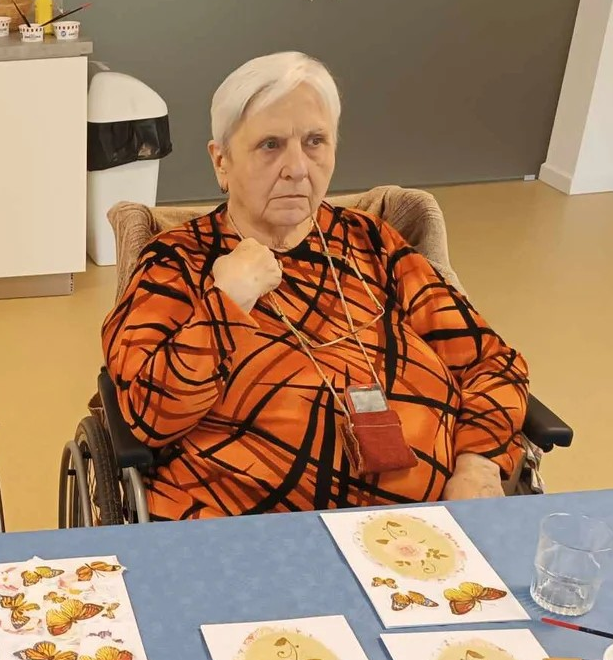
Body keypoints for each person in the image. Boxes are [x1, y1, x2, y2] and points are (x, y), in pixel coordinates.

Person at [103, 52, 529, 519]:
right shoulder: (177, 261)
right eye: (270, 145)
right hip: (251, 534)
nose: (297, 167)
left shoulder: (372, 242)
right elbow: (149, 415)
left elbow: (490, 360)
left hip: (424, 534)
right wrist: (226, 302)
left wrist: (477, 464)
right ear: (221, 161)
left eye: (314, 142)